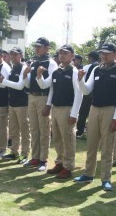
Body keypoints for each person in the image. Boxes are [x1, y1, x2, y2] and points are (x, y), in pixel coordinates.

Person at [74, 43, 116, 191]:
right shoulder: (97, 69)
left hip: (110, 110)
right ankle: (88, 174)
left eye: (107, 53)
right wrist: (80, 80)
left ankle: (106, 179)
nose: (103, 56)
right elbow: (86, 90)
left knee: (107, 146)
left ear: (114, 54)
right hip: (94, 109)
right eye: (102, 53)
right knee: (91, 144)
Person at [37, 44, 82, 179]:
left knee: (67, 139)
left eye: (65, 53)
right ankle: (60, 163)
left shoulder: (74, 72)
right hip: (56, 109)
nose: (62, 55)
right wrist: (39, 75)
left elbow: (79, 94)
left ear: (72, 55)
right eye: (60, 53)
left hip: (68, 109)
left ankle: (68, 167)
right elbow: (45, 85)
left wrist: (74, 113)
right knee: (57, 138)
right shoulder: (56, 71)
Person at [22, 37, 58, 171]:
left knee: (44, 130)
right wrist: (25, 75)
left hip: (43, 98)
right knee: (34, 129)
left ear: (47, 48)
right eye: (36, 46)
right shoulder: (34, 62)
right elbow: (28, 83)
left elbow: (52, 86)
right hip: (32, 96)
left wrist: (48, 104)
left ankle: (43, 159)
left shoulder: (51, 63)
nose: (37, 48)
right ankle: (35, 157)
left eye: (40, 46)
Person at [0, 47, 30, 163]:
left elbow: (20, 86)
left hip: (22, 104)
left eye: (15, 55)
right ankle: (14, 152)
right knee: (13, 130)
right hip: (12, 103)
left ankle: (25, 154)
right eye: (11, 55)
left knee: (24, 130)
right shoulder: (13, 68)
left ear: (21, 55)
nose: (13, 57)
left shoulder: (23, 68)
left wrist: (4, 81)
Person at [76, 51, 100, 138]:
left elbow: (82, 80)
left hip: (87, 93)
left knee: (83, 114)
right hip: (97, 95)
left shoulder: (86, 67)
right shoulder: (100, 67)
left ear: (90, 58)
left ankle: (80, 132)